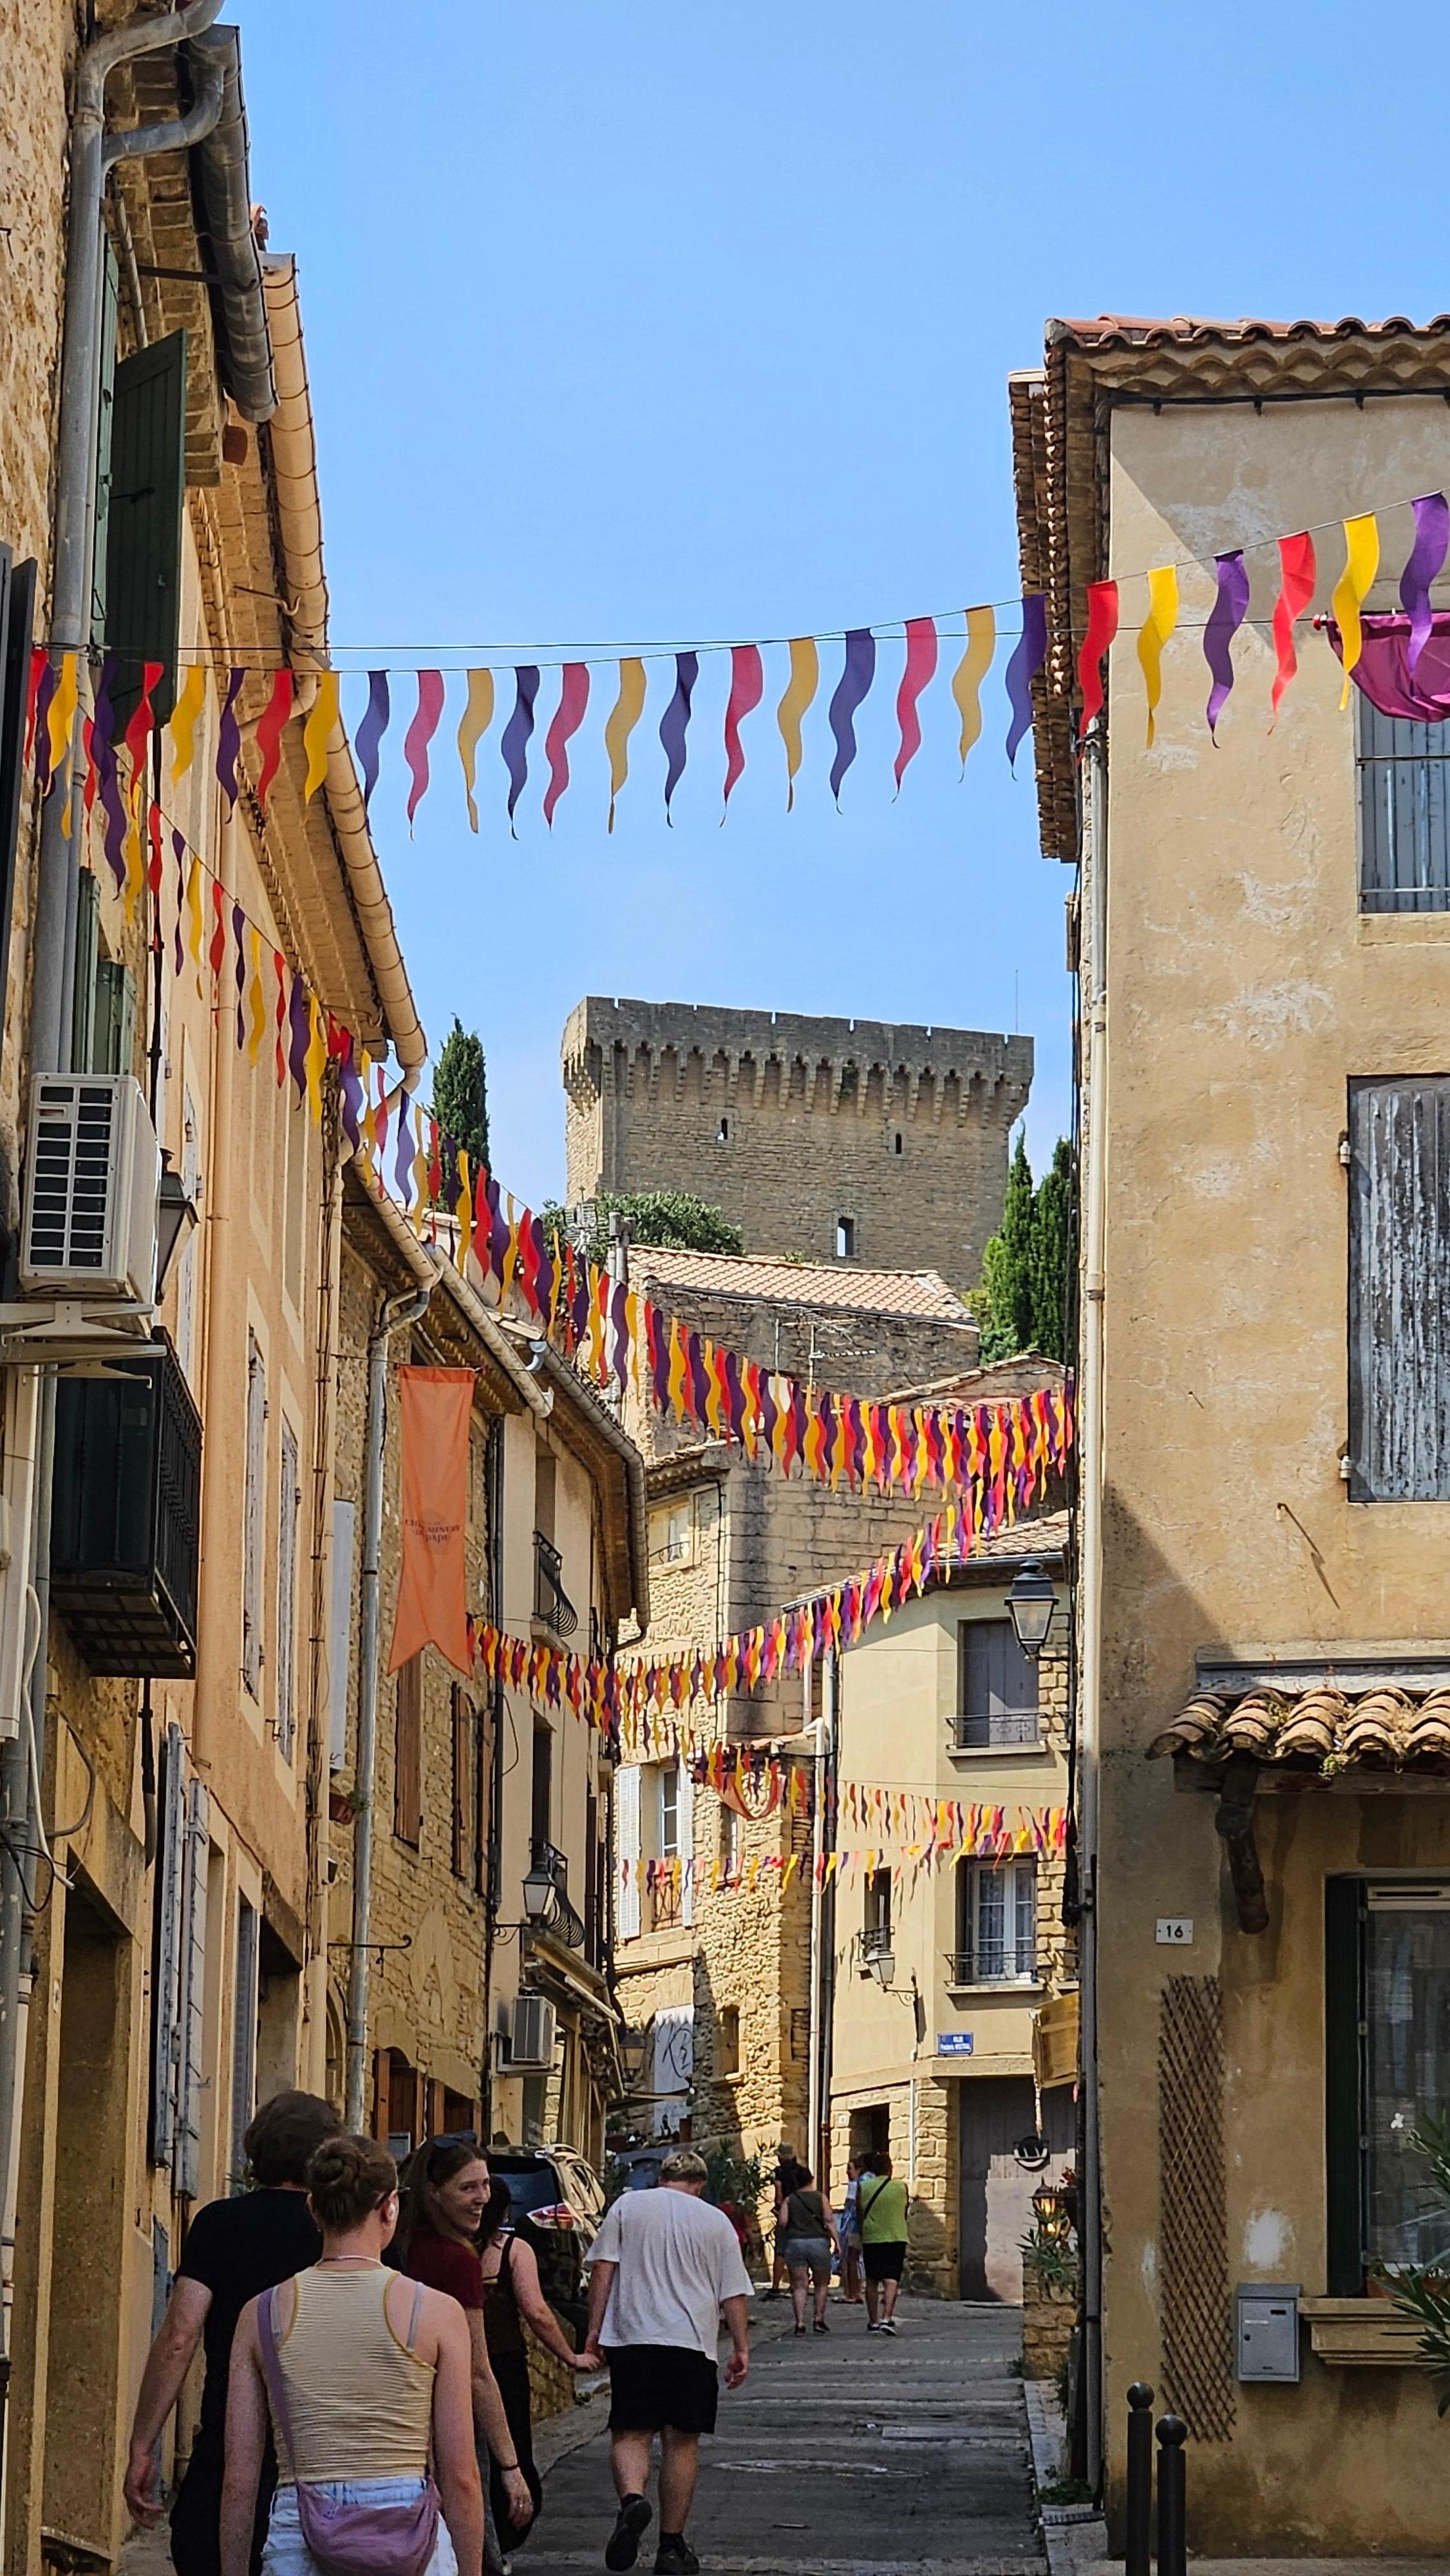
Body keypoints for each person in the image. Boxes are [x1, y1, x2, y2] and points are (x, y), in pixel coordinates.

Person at [220, 2132, 482, 2576]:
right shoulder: (437, 2313)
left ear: (314, 2210)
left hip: (300, 2529)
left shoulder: (261, 2316)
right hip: (410, 2531)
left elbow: (240, 2481)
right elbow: (461, 2475)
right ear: (390, 2207)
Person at [124, 2088, 341, 2576]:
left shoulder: (221, 2224)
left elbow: (180, 2335)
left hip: (227, 2450)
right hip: (329, 2456)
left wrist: (143, 2446)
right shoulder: (351, 2232)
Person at [577, 2148, 753, 2576]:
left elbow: (603, 2269)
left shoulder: (628, 2206)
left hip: (635, 2340)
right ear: (700, 2185)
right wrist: (741, 2349)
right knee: (681, 2443)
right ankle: (671, 2547)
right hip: (691, 2345)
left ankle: (633, 2502)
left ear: (662, 2179)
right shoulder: (716, 2222)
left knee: (631, 2432)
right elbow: (733, 2293)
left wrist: (594, 2332)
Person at [390, 2137, 536, 2562]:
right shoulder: (456, 2260)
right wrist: (511, 2465)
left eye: (486, 2185)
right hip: (448, 2421)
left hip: (396, 2423)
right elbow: (476, 2369)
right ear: (434, 2191)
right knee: (470, 2547)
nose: (482, 2199)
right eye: (468, 2188)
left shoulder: (396, 2247)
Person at [476, 2174, 594, 2543]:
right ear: (506, 2211)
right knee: (511, 2445)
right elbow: (538, 2312)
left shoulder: (449, 2249)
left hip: (453, 2365)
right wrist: (571, 2356)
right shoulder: (513, 2251)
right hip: (504, 2363)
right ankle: (507, 2529)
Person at [857, 2153, 910, 2335]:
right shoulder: (901, 2187)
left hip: (872, 2236)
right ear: (890, 2169)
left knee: (872, 2280)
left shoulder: (864, 2187)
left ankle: (873, 2321)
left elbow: (859, 2212)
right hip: (896, 2236)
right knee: (891, 2279)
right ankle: (887, 2317)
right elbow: (904, 2210)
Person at [778, 2166, 836, 2335]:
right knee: (821, 2283)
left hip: (795, 2243)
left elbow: (783, 2221)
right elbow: (829, 2219)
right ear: (811, 2179)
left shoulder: (789, 2200)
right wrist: (837, 2242)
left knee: (799, 2286)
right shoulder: (821, 2198)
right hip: (818, 2243)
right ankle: (818, 2319)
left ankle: (800, 2323)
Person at [762, 2145, 809, 2301]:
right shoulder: (803, 2171)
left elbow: (779, 2194)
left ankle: (775, 2287)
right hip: (801, 2213)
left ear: (781, 2157)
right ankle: (799, 2284)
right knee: (800, 2249)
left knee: (781, 2250)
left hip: (786, 2212)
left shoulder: (779, 2172)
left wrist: (778, 2209)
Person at [838, 2159, 865, 2305]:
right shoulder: (865, 2182)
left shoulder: (855, 2186)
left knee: (851, 2260)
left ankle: (853, 2293)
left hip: (853, 2226)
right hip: (858, 2226)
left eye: (850, 2168)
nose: (847, 2171)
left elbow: (851, 2207)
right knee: (856, 2260)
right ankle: (856, 2291)